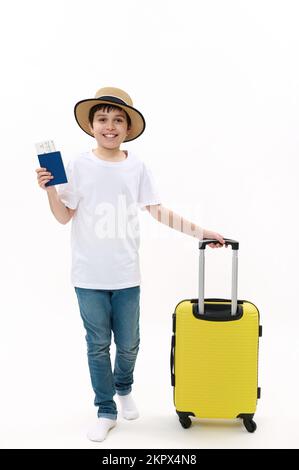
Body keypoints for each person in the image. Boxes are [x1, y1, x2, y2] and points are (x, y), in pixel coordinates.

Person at [35, 87, 226, 442]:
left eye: (118, 120)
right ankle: (105, 408)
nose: (110, 126)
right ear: (91, 125)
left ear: (127, 128)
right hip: (87, 275)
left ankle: (124, 387)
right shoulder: (76, 164)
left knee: (129, 344)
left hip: (126, 275)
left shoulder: (136, 166)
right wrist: (49, 190)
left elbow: (156, 209)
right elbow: (64, 216)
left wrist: (201, 232)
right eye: (103, 119)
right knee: (96, 344)